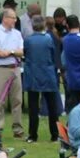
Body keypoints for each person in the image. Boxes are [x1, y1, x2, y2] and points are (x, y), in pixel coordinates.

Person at [21, 14, 61, 144]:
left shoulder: (28, 40)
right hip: (48, 74)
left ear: (32, 26)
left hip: (33, 75)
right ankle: (55, 134)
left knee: (33, 106)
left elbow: (25, 55)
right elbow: (53, 55)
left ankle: (33, 135)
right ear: (44, 25)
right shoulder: (49, 39)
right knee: (52, 106)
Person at [0, 7, 25, 138]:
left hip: (15, 68)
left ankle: (18, 129)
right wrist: (11, 52)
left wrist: (10, 52)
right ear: (5, 18)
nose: (15, 20)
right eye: (13, 17)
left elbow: (22, 51)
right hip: (1, 69)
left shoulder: (17, 34)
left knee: (17, 100)